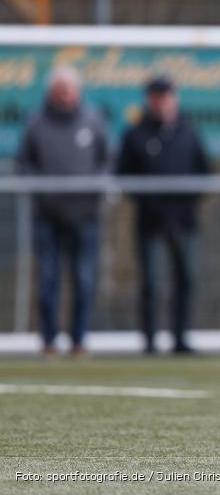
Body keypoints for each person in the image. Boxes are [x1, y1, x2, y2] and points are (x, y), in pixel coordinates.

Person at [16, 66, 108, 355]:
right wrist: (44, 191)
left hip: (84, 214)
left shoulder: (93, 121)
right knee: (48, 279)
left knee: (83, 279)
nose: (65, 95)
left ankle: (79, 338)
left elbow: (107, 161)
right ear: (51, 92)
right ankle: (48, 339)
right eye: (60, 90)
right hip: (47, 215)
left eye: (69, 90)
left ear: (77, 92)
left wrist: (93, 189)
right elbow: (24, 163)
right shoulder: (36, 123)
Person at [117, 75, 210, 354]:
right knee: (150, 281)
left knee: (185, 278)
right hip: (150, 220)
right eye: (156, 97)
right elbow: (124, 175)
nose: (161, 102)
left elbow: (204, 171)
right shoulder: (135, 133)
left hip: (182, 220)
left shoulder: (188, 131)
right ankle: (149, 340)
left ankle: (180, 337)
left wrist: (186, 202)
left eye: (166, 96)